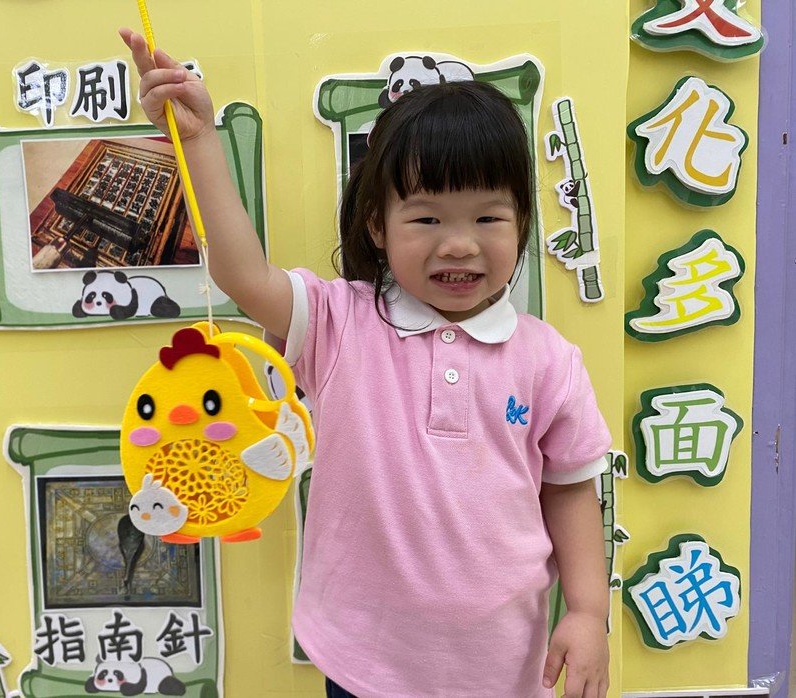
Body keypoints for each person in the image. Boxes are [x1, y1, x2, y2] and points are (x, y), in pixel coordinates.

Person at [120, 28, 612, 698]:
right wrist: (200, 140)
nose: (459, 245)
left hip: (505, 666)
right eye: (427, 220)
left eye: (488, 219)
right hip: (363, 663)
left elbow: (570, 489)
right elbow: (242, 275)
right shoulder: (338, 323)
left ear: (522, 224)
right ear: (378, 226)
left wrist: (587, 611)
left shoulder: (548, 359)